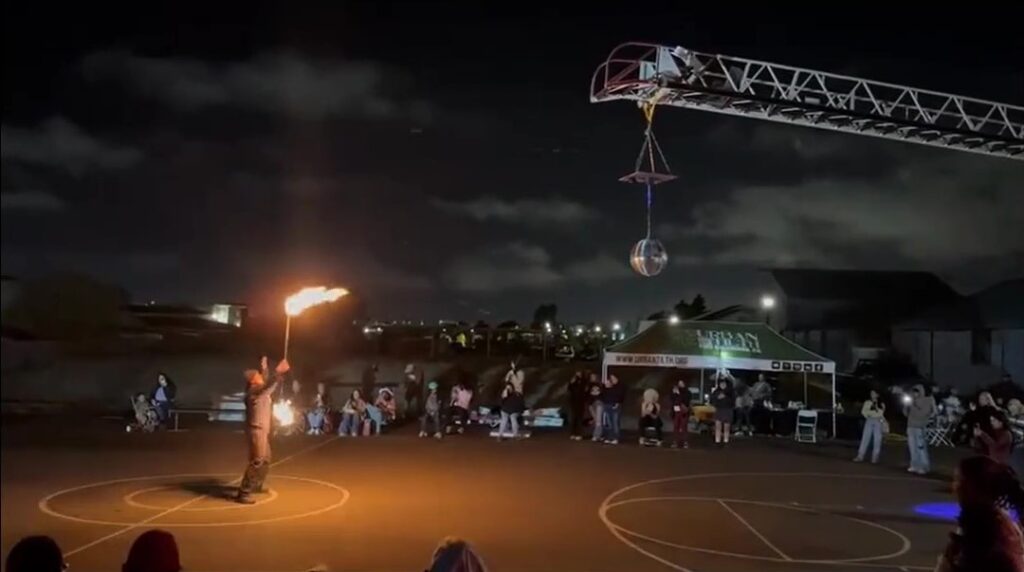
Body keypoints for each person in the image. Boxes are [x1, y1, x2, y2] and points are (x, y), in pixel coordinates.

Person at [935, 455, 1024, 572]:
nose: (954, 487)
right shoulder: (991, 520)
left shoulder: (986, 532)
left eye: (958, 480)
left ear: (973, 487)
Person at [235, 356, 289, 504]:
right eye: (258, 375)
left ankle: (256, 485)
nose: (261, 376)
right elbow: (267, 386)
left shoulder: (258, 389)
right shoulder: (254, 393)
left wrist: (265, 369)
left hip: (262, 430)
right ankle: (244, 492)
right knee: (257, 460)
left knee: (266, 459)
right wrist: (278, 372)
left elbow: (266, 383)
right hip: (256, 430)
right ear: (253, 381)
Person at [904, 383, 936, 475]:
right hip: (910, 427)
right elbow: (906, 414)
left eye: (916, 392)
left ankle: (924, 466)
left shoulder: (926, 401)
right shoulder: (912, 401)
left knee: (921, 448)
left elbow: (923, 414)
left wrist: (914, 404)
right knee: (912, 447)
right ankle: (914, 465)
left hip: (919, 427)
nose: (914, 394)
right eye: (913, 392)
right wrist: (906, 406)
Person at [854, 389, 887, 464]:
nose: (872, 394)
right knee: (865, 438)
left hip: (878, 421)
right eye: (871, 393)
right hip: (869, 420)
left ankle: (875, 457)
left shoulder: (881, 404)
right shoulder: (867, 402)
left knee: (877, 439)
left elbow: (880, 413)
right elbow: (864, 412)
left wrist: (871, 412)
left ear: (877, 394)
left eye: (874, 393)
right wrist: (871, 413)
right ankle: (860, 455)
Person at [498, 374, 526, 441]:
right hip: (508, 409)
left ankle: (501, 436)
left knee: (507, 419)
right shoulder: (513, 393)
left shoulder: (513, 393)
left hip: (508, 409)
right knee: (510, 418)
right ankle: (513, 436)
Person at [600, 374, 625, 445]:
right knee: (609, 423)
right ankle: (609, 437)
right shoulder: (605, 390)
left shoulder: (618, 388)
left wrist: (617, 403)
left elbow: (620, 396)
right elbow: (602, 397)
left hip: (615, 406)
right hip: (607, 406)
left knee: (615, 422)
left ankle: (615, 438)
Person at [710, 378, 735, 447]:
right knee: (718, 426)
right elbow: (712, 400)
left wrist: (725, 396)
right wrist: (718, 398)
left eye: (724, 384)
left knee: (726, 427)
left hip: (728, 410)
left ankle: (726, 441)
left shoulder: (731, 392)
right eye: (721, 384)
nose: (722, 385)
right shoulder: (716, 392)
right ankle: (717, 441)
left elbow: (733, 402)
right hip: (719, 410)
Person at [566, 371, 588, 441]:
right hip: (573, 403)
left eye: (579, 373)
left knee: (579, 419)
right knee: (574, 418)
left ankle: (579, 434)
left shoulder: (584, 381)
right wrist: (571, 382)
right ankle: (573, 433)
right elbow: (569, 388)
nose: (578, 374)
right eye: (577, 373)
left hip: (581, 403)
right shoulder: (574, 381)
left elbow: (585, 390)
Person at [670, 379, 691, 448]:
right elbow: (672, 400)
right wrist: (674, 394)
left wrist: (679, 394)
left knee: (684, 426)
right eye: (679, 383)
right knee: (676, 426)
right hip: (676, 411)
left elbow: (686, 400)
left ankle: (685, 442)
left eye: (681, 383)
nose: (680, 385)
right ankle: (675, 441)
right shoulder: (674, 392)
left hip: (684, 411)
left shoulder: (688, 392)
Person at [587, 371, 604, 440]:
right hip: (591, 404)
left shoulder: (599, 385)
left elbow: (599, 394)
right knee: (595, 419)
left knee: (598, 420)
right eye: (591, 377)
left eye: (593, 376)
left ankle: (596, 435)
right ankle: (598, 435)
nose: (592, 378)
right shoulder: (589, 385)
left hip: (598, 403)